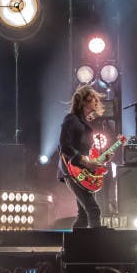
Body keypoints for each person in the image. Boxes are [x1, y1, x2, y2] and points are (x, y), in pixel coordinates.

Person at [57, 86, 110, 229]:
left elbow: (87, 153)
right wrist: (84, 162)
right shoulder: (71, 119)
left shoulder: (84, 123)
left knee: (83, 215)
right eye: (93, 98)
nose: (96, 101)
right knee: (93, 210)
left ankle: (73, 248)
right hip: (72, 171)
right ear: (84, 101)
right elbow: (64, 146)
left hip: (82, 171)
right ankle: (96, 246)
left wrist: (102, 159)